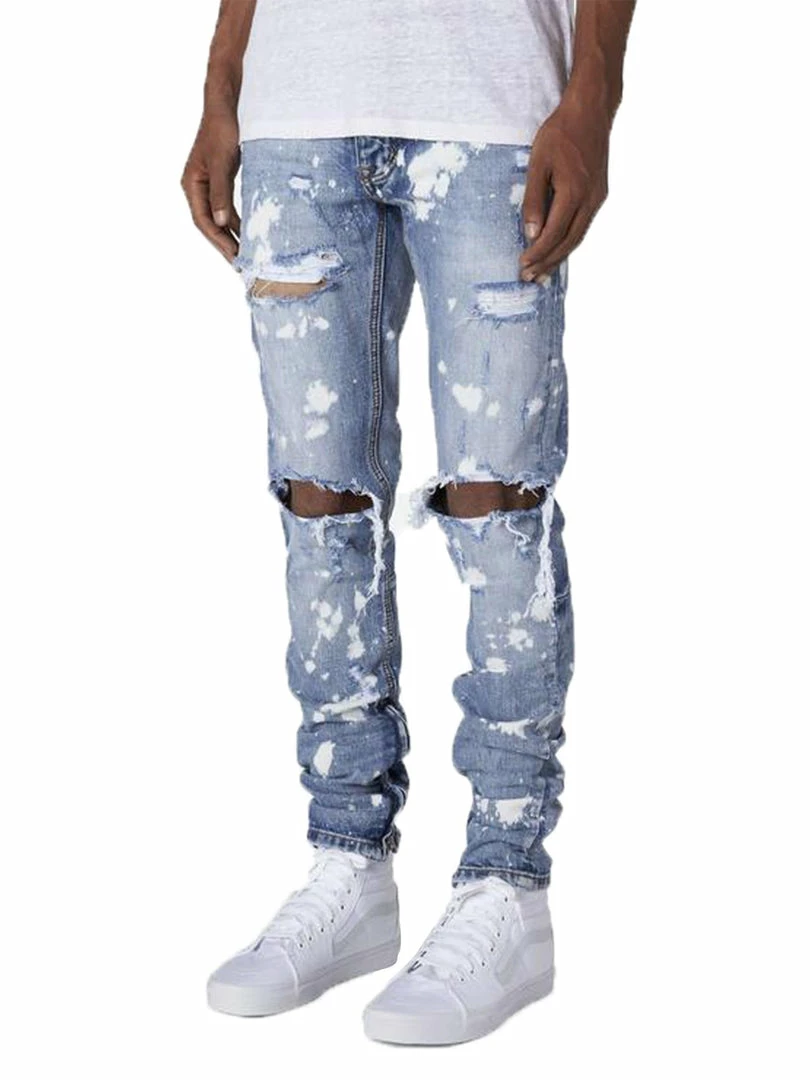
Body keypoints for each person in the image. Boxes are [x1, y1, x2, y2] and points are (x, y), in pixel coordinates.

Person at [182, 0, 634, 1046]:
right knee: (318, 502)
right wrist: (221, 86)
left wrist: (594, 95)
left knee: (498, 501)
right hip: (296, 117)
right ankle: (349, 864)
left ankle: (506, 886)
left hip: (494, 109)